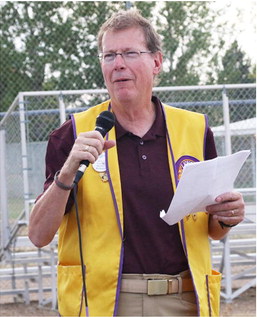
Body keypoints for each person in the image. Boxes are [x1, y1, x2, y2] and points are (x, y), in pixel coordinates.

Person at [29, 9, 245, 317]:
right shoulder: (74, 134)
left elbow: (211, 228)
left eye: (130, 53)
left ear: (157, 62)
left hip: (185, 300)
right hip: (109, 303)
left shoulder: (195, 130)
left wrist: (227, 216)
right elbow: (38, 235)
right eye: (109, 56)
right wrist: (67, 172)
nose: (118, 64)